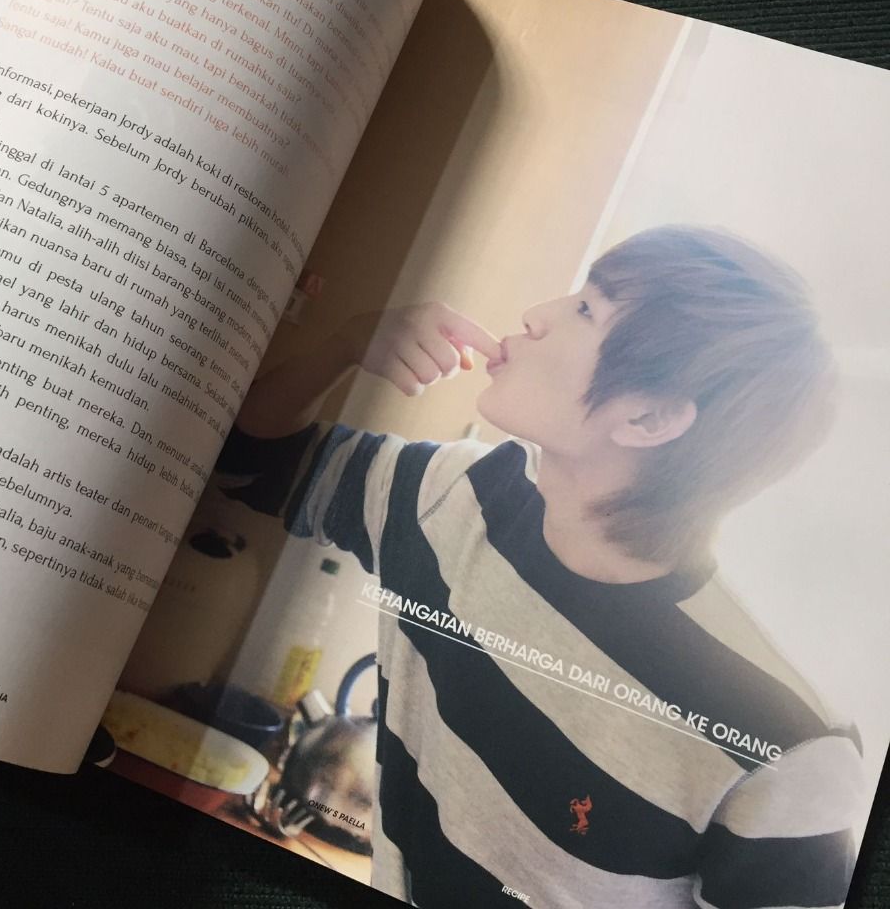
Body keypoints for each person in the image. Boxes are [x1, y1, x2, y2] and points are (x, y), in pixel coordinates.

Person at [216, 225, 865, 908]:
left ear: (649, 419)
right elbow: (242, 458)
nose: (536, 316)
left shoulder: (790, 750)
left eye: (587, 309)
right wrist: (349, 344)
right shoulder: (454, 497)